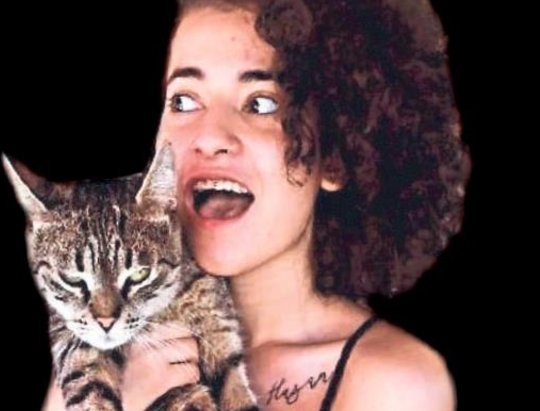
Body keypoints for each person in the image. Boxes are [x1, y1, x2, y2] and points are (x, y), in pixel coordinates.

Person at [43, 0, 469, 409]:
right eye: (183, 100)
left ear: (335, 157)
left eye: (260, 103)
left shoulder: (393, 382)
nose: (210, 137)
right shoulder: (89, 362)